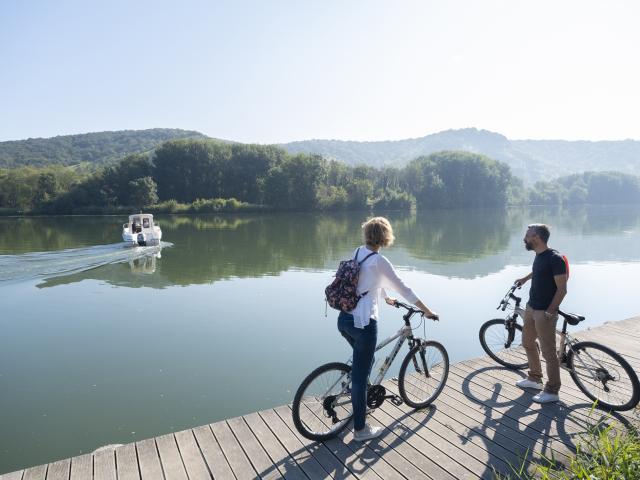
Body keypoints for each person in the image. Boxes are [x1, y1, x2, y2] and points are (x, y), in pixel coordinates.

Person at [338, 217, 438, 441]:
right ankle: (360, 430)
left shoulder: (358, 252)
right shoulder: (380, 261)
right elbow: (405, 288)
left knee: (364, 363)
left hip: (344, 319)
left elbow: (366, 281)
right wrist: (428, 310)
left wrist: (385, 297)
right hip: (364, 323)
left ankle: (356, 394)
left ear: (366, 235)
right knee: (361, 377)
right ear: (385, 237)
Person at [515, 224, 568, 404]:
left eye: (527, 235)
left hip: (544, 311)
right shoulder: (539, 255)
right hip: (531, 307)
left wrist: (549, 312)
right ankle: (534, 378)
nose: (525, 238)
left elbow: (562, 290)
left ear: (536, 237)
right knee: (527, 342)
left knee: (548, 352)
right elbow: (538, 271)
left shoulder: (555, 259)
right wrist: (525, 278)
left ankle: (552, 391)